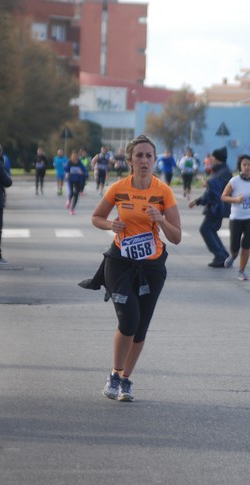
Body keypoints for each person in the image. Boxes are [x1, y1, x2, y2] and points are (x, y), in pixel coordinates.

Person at [79, 134, 181, 402]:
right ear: (130, 161)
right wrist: (109, 225)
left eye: (149, 155)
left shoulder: (163, 192)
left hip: (152, 267)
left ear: (155, 160)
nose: (144, 160)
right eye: (139, 156)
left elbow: (177, 236)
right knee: (128, 321)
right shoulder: (118, 188)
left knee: (141, 327)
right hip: (120, 263)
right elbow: (96, 217)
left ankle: (126, 380)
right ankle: (114, 373)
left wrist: (160, 219)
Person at [221, 154, 250, 280]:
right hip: (236, 218)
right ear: (240, 167)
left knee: (246, 244)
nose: (246, 167)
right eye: (244, 164)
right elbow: (223, 196)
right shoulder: (234, 181)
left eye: (249, 164)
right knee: (235, 245)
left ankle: (241, 271)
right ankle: (233, 256)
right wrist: (236, 199)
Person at [188, 146, 232, 267]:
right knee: (210, 229)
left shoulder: (223, 172)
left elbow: (214, 190)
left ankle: (220, 256)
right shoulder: (221, 170)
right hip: (217, 206)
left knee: (205, 229)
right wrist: (199, 199)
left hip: (217, 207)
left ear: (218, 159)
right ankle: (224, 255)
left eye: (212, 156)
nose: (210, 158)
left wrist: (199, 199)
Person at [64, 149, 87, 215]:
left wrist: (82, 173)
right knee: (71, 192)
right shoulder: (69, 162)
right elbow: (65, 168)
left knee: (76, 194)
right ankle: (69, 200)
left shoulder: (80, 163)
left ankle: (72, 209)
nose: (75, 157)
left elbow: (85, 172)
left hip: (78, 180)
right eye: (73, 156)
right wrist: (67, 173)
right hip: (70, 179)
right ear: (71, 156)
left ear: (77, 156)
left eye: (76, 156)